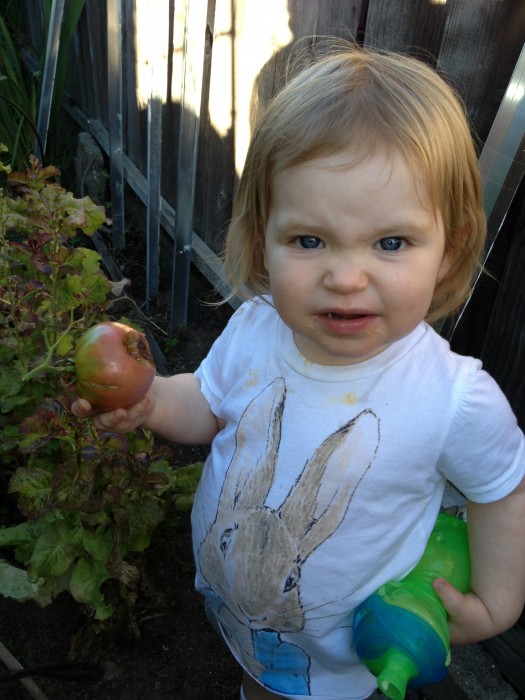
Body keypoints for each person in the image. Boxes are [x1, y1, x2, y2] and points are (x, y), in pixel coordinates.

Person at [73, 44, 525, 700]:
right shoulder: (258, 326)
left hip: (339, 655)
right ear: (263, 238)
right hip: (244, 616)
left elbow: (499, 489)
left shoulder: (452, 398)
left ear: (448, 250)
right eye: (308, 241)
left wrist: (497, 600)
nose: (344, 276)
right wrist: (152, 404)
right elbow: (206, 402)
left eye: (390, 243)